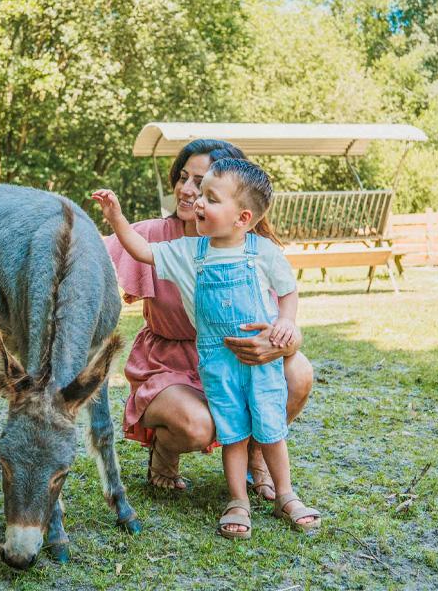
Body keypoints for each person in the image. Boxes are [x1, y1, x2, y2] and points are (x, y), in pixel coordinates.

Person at [94, 159, 321, 538]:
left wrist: (286, 321)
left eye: (209, 197)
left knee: (271, 427)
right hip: (216, 361)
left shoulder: (262, 251)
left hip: (258, 360)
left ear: (242, 217)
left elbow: (288, 289)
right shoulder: (187, 251)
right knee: (231, 431)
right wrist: (116, 218)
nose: (197, 201)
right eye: (197, 192)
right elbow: (140, 250)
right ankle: (237, 501)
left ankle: (286, 494)